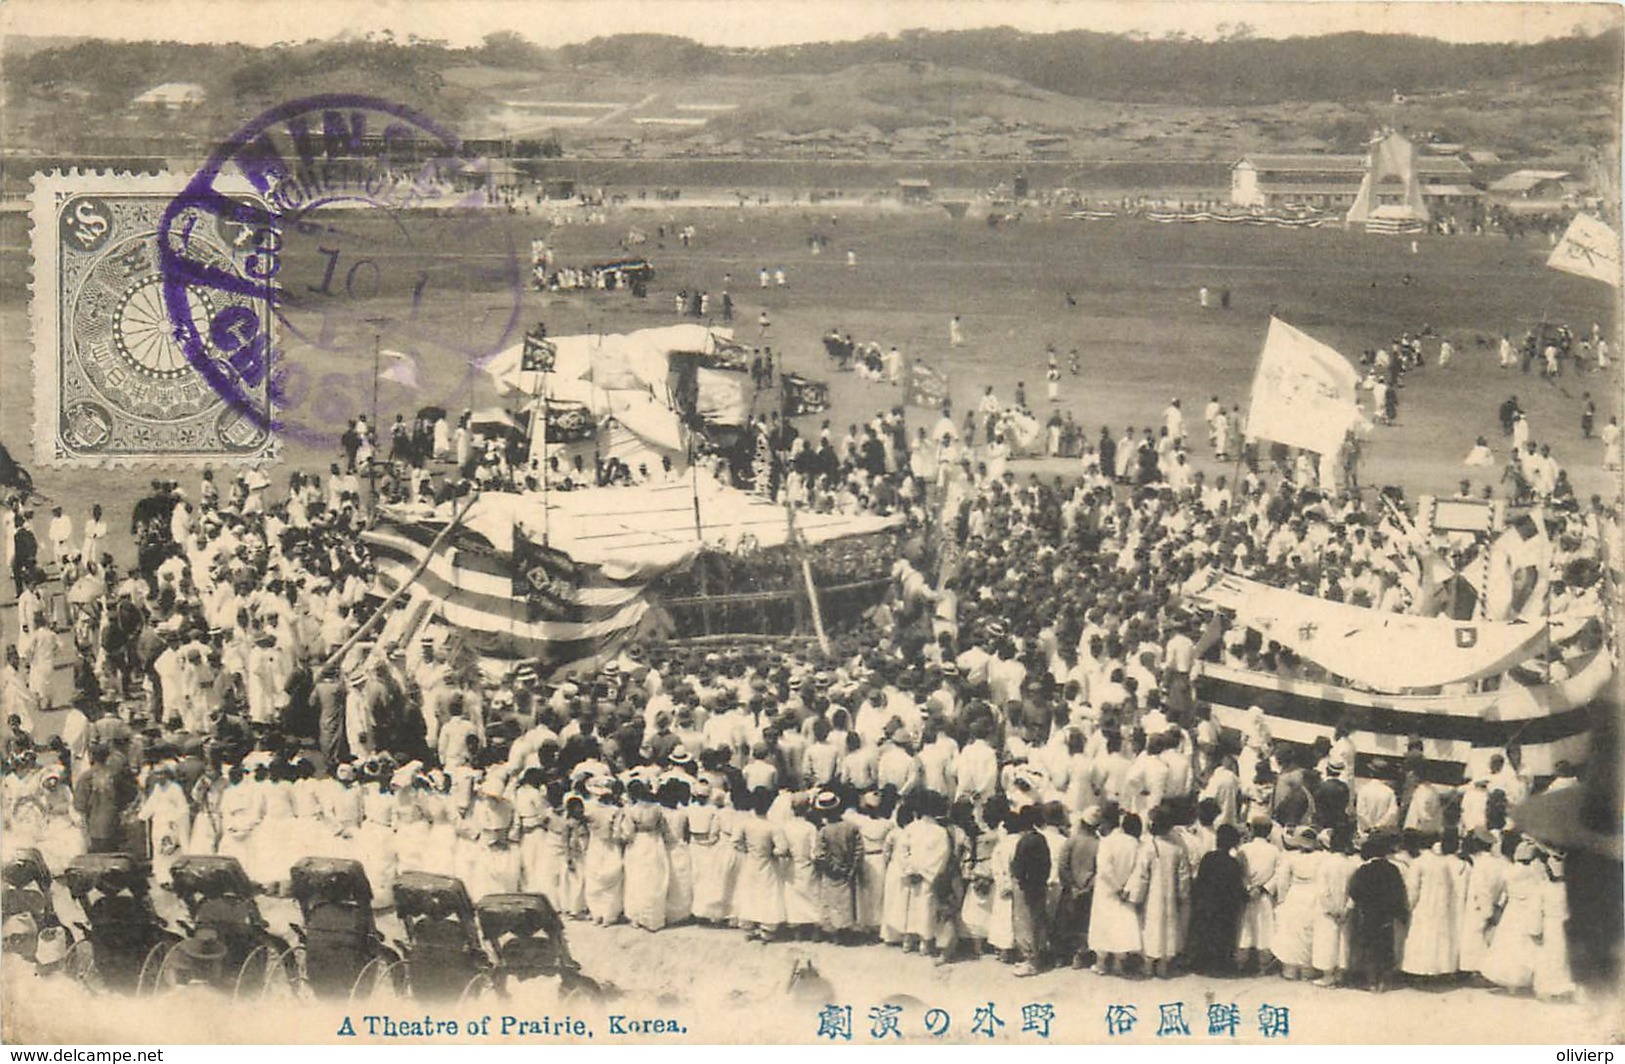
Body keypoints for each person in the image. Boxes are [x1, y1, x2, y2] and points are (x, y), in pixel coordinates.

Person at [1346, 834, 1408, 992]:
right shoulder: (1393, 869)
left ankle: (1371, 981)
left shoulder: (1363, 869)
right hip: (1386, 914)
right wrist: (1398, 912)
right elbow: (1399, 892)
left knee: (1369, 945)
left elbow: (1354, 891)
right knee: (1385, 946)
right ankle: (1384, 981)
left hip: (1368, 913)